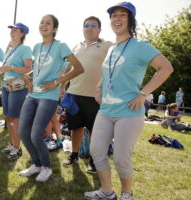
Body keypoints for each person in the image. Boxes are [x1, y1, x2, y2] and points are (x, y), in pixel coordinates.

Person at [84, 2, 173, 200]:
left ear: (130, 20)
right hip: (106, 110)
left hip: (129, 112)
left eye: (122, 15)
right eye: (114, 15)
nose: (117, 19)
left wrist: (143, 93)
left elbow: (166, 68)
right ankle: (107, 192)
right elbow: (108, 72)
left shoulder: (141, 45)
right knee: (97, 152)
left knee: (121, 159)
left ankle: (127, 194)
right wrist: (99, 86)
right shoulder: (112, 48)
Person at [18, 14, 84, 182]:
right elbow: (38, 70)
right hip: (32, 94)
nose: (44, 25)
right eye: (42, 22)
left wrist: (59, 81)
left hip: (49, 96)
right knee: (23, 132)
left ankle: (46, 167)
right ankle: (37, 164)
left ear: (55, 29)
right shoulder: (37, 46)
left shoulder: (61, 46)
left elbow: (78, 68)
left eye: (48, 23)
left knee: (35, 134)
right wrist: (28, 77)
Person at [61, 16, 113, 175]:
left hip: (96, 96)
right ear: (83, 28)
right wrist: (62, 86)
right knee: (75, 128)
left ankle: (93, 160)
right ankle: (74, 155)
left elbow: (114, 68)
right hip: (74, 94)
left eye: (93, 25)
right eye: (86, 25)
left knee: (94, 131)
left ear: (100, 29)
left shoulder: (108, 45)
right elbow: (68, 69)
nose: (89, 28)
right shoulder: (76, 46)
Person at [0, 23, 32, 160]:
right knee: (8, 118)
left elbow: (28, 68)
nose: (12, 31)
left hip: (18, 88)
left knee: (15, 119)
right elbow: (5, 68)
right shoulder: (9, 49)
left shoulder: (25, 48)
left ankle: (17, 148)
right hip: (6, 86)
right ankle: (12, 144)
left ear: (22, 34)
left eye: (16, 30)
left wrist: (11, 67)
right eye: (12, 29)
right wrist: (1, 71)